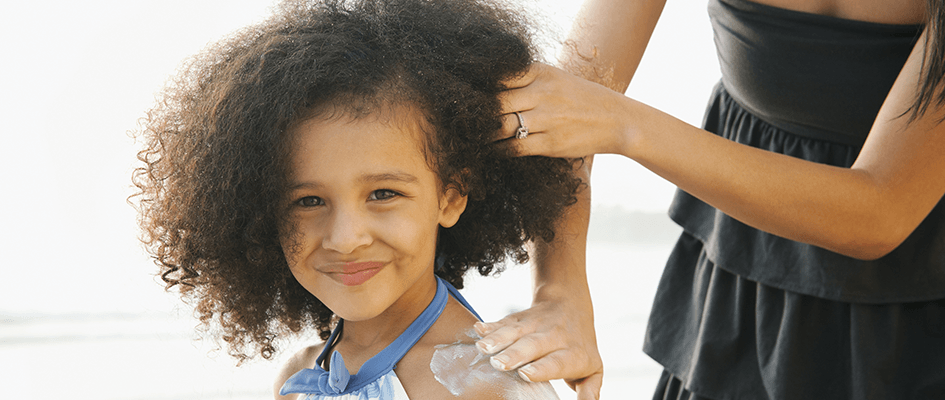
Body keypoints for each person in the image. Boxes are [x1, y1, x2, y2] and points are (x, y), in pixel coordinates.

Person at [473, 0, 945, 399]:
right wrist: (559, 290)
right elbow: (560, 106)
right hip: (736, 279)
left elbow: (880, 213)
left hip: (916, 306)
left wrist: (626, 125)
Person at [131, 0, 583, 398]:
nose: (345, 239)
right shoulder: (300, 376)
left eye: (383, 194)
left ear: (451, 197)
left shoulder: (488, 385)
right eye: (308, 201)